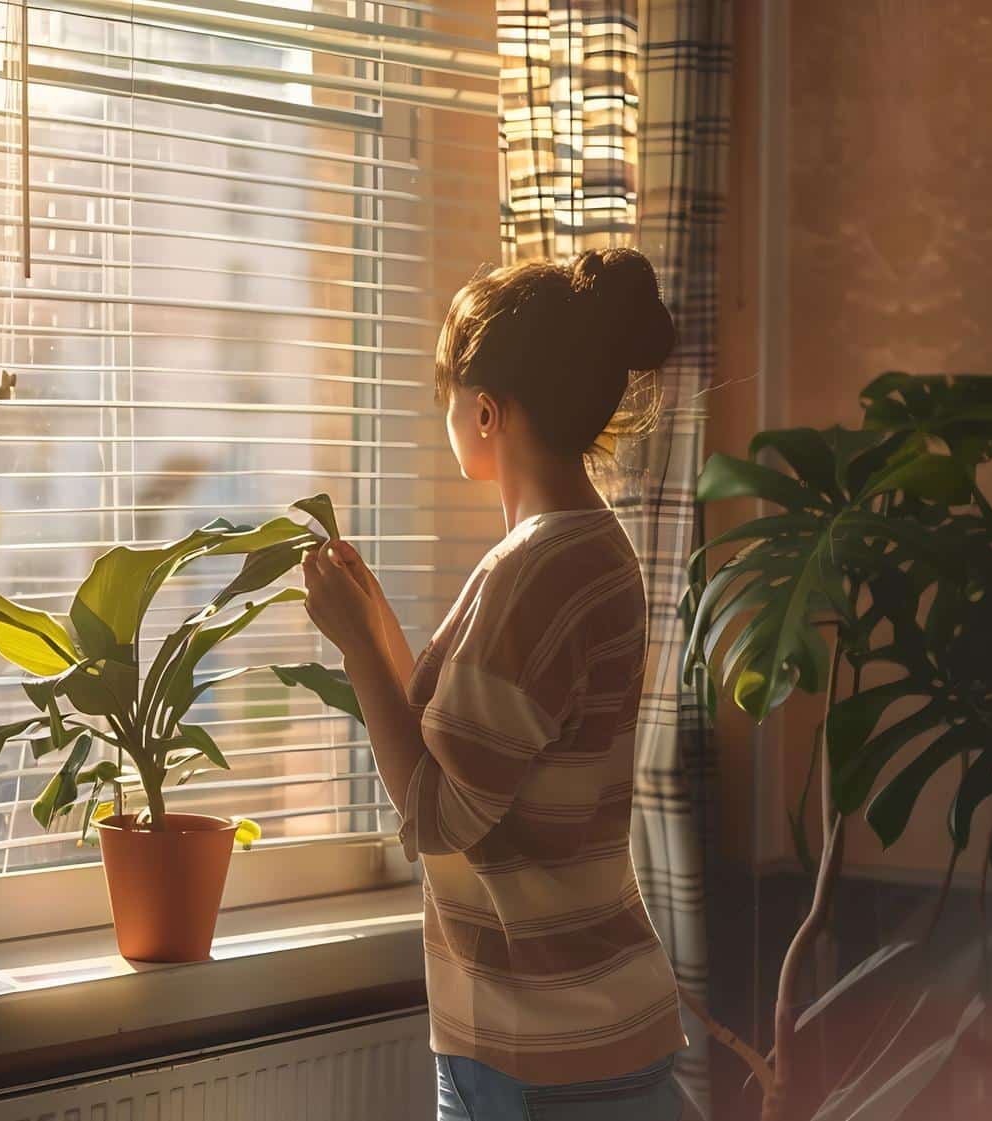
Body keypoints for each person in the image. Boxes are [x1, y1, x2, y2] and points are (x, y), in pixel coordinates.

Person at [302, 248, 687, 1121]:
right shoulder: (595, 549)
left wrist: (361, 650)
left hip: (536, 1048)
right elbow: (471, 761)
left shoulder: (534, 571)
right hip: (594, 1023)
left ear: (485, 410)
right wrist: (375, 631)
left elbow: (438, 815)